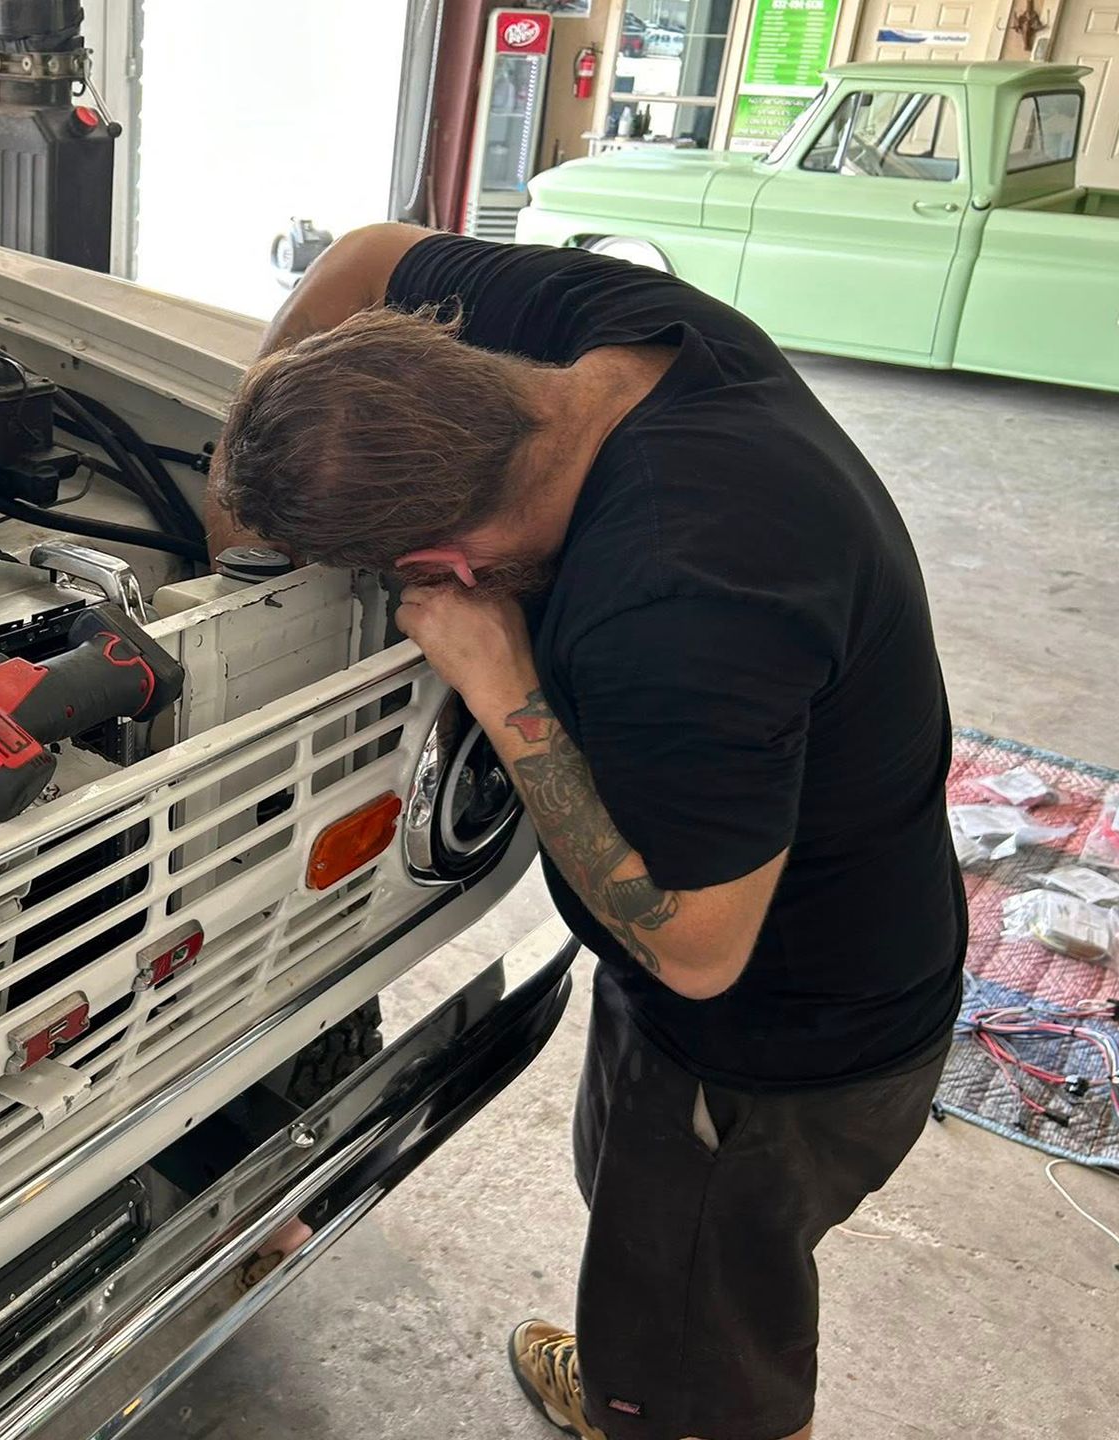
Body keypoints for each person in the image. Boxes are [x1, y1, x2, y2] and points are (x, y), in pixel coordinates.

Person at [208, 226, 965, 1440]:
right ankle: (641, 1358)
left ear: (446, 565)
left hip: (778, 1051)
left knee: (708, 1351)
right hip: (741, 980)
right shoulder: (597, 325)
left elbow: (700, 950)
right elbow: (361, 258)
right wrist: (232, 513)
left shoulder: (668, 606)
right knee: (644, 1235)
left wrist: (501, 682)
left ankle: (664, 1400)